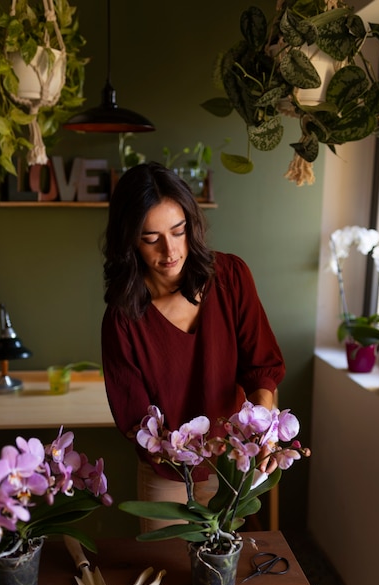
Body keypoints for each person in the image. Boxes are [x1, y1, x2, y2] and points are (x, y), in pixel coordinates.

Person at [101, 162, 285, 529]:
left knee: (223, 576)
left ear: (191, 226)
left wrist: (263, 433)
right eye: (150, 238)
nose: (169, 250)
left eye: (178, 231)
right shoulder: (123, 320)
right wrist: (180, 451)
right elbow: (135, 421)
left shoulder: (232, 278)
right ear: (129, 241)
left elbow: (260, 369)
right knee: (166, 577)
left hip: (234, 463)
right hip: (167, 477)